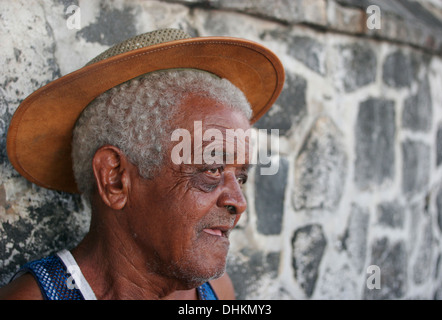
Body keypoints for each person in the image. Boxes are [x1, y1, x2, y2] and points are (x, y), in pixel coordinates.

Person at [0, 28, 284, 300]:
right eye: (212, 169)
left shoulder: (217, 291)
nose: (239, 202)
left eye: (241, 177)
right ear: (115, 178)